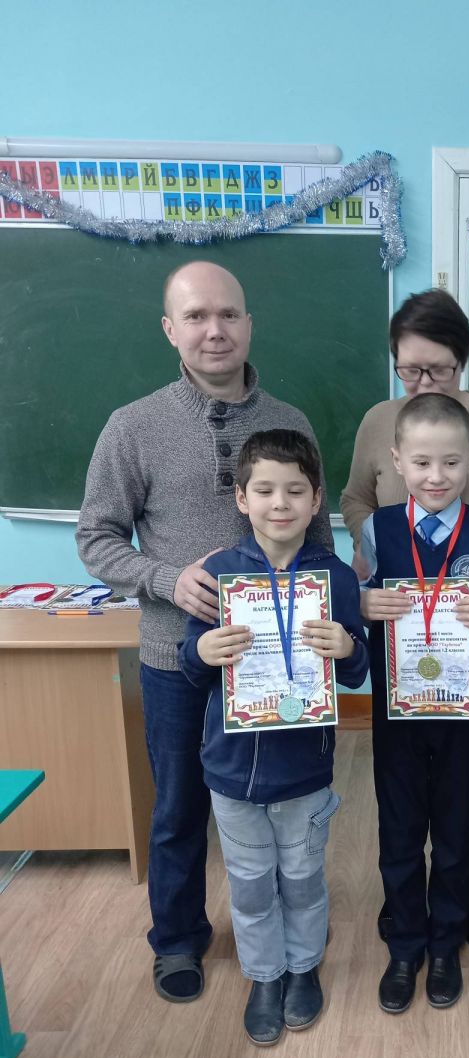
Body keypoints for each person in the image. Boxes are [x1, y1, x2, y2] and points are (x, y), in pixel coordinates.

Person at [76, 261, 333, 1004]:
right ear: (170, 330)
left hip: (278, 663)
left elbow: (318, 539)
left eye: (227, 314)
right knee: (179, 805)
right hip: (175, 660)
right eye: (195, 316)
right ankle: (179, 938)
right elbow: (96, 537)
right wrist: (165, 579)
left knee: (285, 803)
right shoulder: (133, 426)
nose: (213, 330)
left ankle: (290, 932)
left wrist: (326, 623)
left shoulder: (291, 421)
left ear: (249, 323)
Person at [341, 288, 469, 953]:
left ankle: (466, 895)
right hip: (403, 640)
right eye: (410, 370)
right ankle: (407, 905)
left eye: (438, 368)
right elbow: (354, 497)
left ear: (462, 358)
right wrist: (369, 558)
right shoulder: (380, 421)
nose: (424, 381)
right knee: (402, 793)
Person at [178, 430, 367, 1044]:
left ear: (316, 500)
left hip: (303, 771)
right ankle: (265, 975)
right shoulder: (218, 574)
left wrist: (348, 648)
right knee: (251, 884)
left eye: (294, 491)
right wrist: (203, 650)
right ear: (241, 499)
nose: (279, 503)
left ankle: (305, 966)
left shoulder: (336, 578)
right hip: (230, 768)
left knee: (303, 877)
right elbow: (190, 664)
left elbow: (358, 670)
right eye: (264, 490)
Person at [358, 393, 469, 1013]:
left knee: (461, 819)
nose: (436, 476)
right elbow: (362, 599)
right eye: (422, 462)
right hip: (400, 706)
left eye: (451, 462)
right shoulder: (376, 529)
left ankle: (447, 938)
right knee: (400, 822)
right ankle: (406, 941)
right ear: (397, 459)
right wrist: (363, 603)